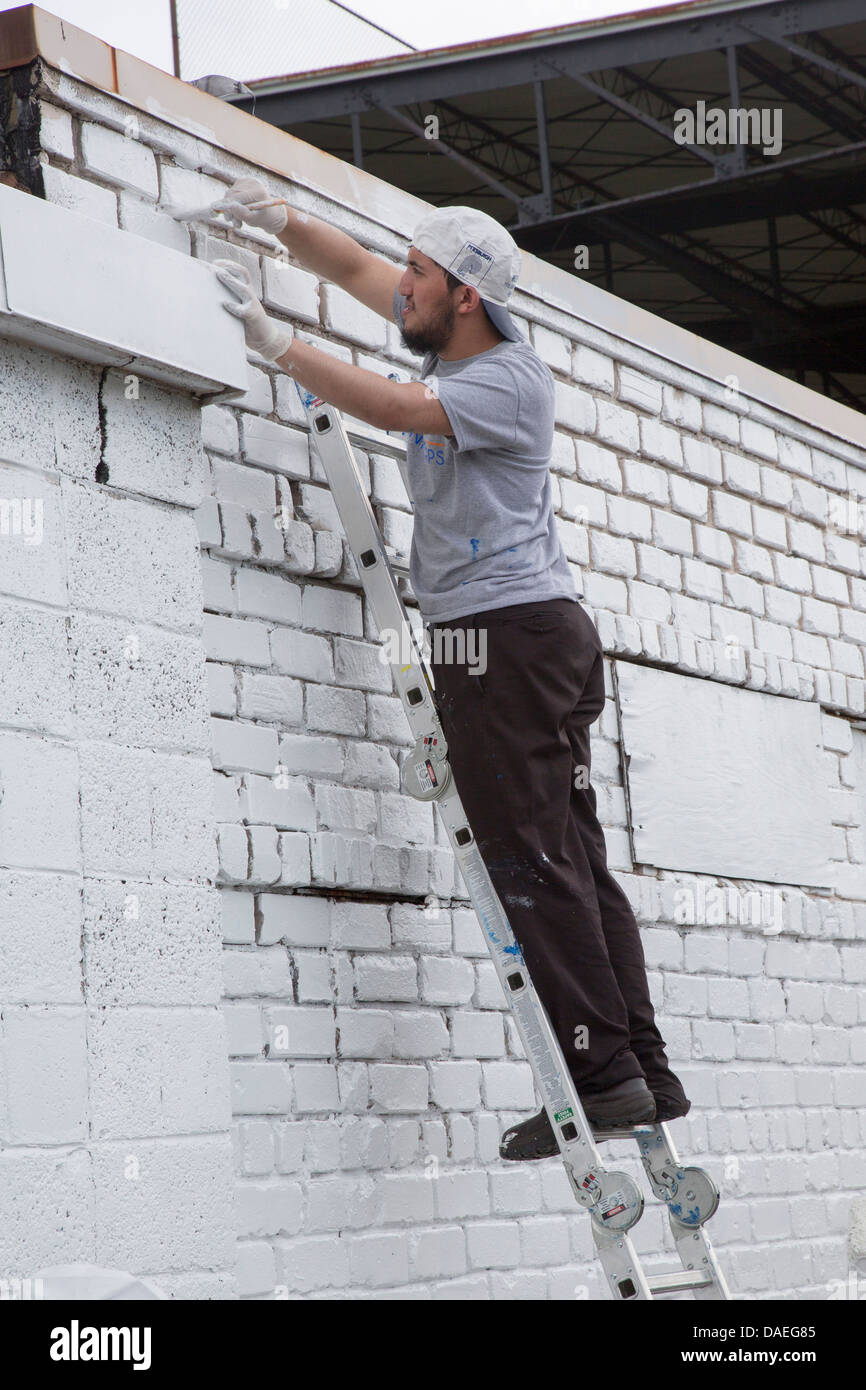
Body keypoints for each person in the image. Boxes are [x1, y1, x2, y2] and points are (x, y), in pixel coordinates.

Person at [210, 180, 691, 1159]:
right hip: (526, 640)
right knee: (573, 861)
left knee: (531, 862)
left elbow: (392, 405)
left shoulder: (504, 379)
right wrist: (282, 223)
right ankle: (637, 1069)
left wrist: (273, 342)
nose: (400, 291)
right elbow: (356, 272)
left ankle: (599, 1076)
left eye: (418, 277)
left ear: (464, 296)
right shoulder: (452, 337)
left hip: (506, 642)